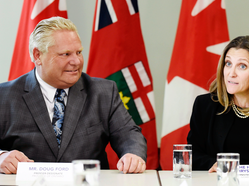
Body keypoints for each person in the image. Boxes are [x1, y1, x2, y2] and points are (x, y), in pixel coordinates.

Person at [0, 17, 147, 174]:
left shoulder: (103, 92)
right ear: (38, 55)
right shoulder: (5, 96)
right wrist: (1, 156)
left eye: (79, 52)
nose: (76, 61)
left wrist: (132, 154)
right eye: (65, 54)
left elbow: (129, 134)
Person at [187, 35, 249, 172]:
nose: (231, 73)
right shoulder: (205, 105)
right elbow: (193, 155)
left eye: (242, 66)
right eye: (228, 64)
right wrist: (213, 164)